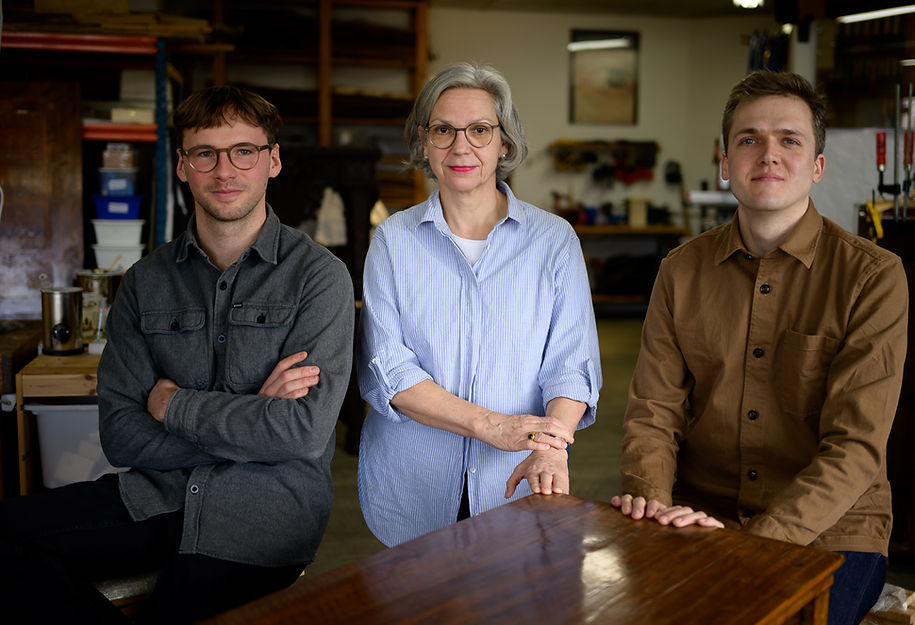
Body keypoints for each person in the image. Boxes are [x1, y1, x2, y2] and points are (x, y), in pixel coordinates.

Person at [0, 85, 354, 624]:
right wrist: (253, 416)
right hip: (153, 495)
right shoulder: (145, 282)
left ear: (273, 161)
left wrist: (171, 405)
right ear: (183, 166)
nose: (224, 170)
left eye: (244, 151)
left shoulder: (319, 278)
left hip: (261, 512)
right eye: (205, 153)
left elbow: (301, 433)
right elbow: (121, 435)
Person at [612, 71, 908, 625]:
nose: (769, 154)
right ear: (725, 164)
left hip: (831, 530)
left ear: (817, 166)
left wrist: (757, 544)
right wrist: (652, 504)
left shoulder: (873, 277)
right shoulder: (680, 271)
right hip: (701, 512)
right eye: (749, 139)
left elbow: (856, 446)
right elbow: (653, 412)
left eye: (789, 139)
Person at [357, 62, 601, 547]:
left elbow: (571, 367)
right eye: (443, 130)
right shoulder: (393, 240)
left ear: (503, 143)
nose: (460, 146)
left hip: (518, 477)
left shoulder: (554, 241)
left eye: (480, 130)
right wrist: (491, 426)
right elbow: (390, 371)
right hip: (413, 480)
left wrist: (551, 448)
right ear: (424, 141)